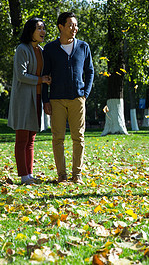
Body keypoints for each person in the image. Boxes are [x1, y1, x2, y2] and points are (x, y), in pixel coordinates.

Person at [42, 12, 94, 184]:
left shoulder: (83, 47)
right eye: (71, 25)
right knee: (58, 138)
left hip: (77, 99)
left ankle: (76, 174)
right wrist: (45, 100)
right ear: (61, 26)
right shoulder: (50, 49)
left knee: (78, 137)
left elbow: (90, 71)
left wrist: (85, 94)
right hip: (56, 99)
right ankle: (62, 175)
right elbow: (45, 75)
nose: (74, 28)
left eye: (76, 25)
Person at [8, 17, 51, 185]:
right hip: (23, 98)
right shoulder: (22, 49)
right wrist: (42, 80)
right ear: (30, 31)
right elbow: (21, 75)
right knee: (22, 138)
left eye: (43, 28)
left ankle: (29, 175)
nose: (43, 32)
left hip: (37, 97)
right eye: (39, 28)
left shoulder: (40, 50)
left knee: (31, 138)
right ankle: (23, 175)